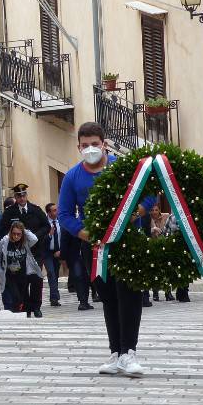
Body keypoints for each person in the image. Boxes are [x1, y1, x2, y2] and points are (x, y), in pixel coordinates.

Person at [58, 121, 145, 377]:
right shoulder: (73, 176)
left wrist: (135, 213)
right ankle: (116, 352)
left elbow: (150, 193)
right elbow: (64, 214)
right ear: (78, 147)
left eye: (95, 144)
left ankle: (130, 352)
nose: (90, 149)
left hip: (127, 242)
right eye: (85, 146)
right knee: (108, 298)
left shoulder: (123, 167)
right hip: (95, 247)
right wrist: (83, 233)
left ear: (104, 144)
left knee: (129, 296)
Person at [0, 221, 44, 318]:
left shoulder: (25, 241)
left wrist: (24, 230)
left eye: (19, 234)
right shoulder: (5, 241)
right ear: (10, 232)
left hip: (23, 273)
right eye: (14, 234)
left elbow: (35, 238)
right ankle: (16, 313)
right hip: (10, 275)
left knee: (23, 295)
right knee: (15, 297)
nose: (16, 236)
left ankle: (26, 313)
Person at [147, 201, 177, 302]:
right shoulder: (148, 219)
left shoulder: (166, 216)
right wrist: (152, 229)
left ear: (159, 210)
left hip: (165, 246)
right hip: (153, 247)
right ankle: (155, 293)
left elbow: (168, 230)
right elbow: (148, 231)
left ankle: (168, 292)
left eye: (156, 210)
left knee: (167, 270)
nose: (154, 212)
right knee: (155, 270)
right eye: (152, 210)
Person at [44, 203, 63, 307]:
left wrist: (61, 250)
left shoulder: (60, 221)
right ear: (49, 212)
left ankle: (54, 296)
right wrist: (49, 235)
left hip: (58, 251)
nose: (57, 212)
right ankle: (54, 298)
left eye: (57, 209)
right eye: (54, 210)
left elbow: (64, 236)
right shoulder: (44, 223)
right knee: (51, 273)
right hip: (47, 252)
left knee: (55, 274)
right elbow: (41, 239)